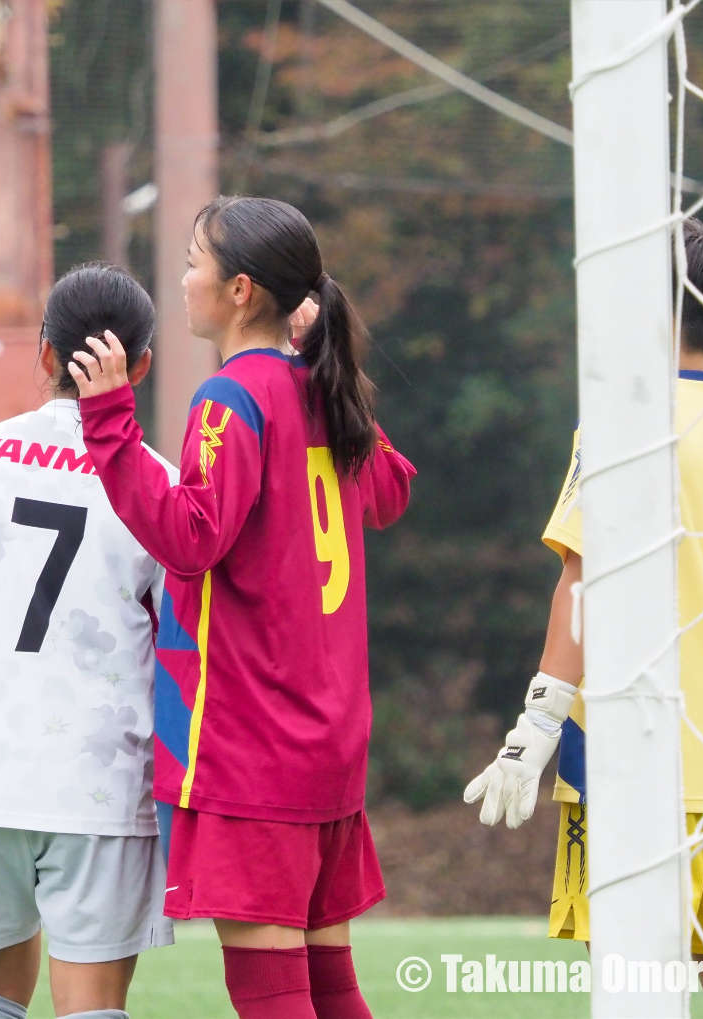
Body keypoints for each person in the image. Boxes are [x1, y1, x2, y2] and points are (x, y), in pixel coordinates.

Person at [69, 196, 416, 1019]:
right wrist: (336, 386)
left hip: (254, 741)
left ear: (240, 290)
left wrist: (110, 423)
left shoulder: (230, 399)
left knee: (271, 994)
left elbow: (193, 539)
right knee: (330, 985)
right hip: (324, 737)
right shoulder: (320, 390)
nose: (182, 278)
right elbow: (392, 491)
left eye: (194, 260)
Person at [464, 218, 703, 1019]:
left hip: (643, 759)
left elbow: (582, 580)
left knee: (635, 982)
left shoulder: (623, 425)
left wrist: (538, 724)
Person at [0, 262, 178, 1019]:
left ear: (43, 354)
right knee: (91, 1006)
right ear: (140, 365)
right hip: (101, 781)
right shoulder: (155, 484)